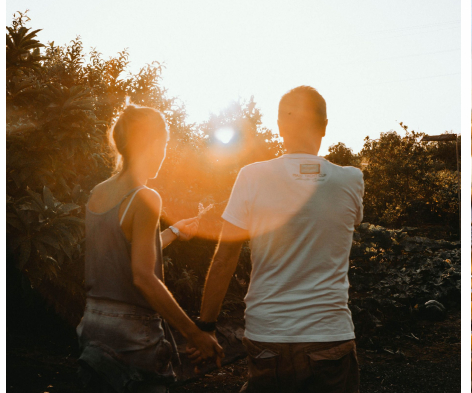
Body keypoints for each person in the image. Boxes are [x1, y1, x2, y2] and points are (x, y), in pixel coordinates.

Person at [199, 86, 363, 393]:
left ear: (280, 125)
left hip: (268, 338)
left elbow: (224, 259)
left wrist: (206, 327)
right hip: (329, 336)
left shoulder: (251, 176)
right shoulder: (351, 179)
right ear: (325, 126)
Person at [77, 103, 219, 392]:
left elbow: (120, 255)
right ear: (153, 144)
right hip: (132, 337)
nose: (165, 153)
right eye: (165, 144)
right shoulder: (145, 196)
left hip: (92, 328)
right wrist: (194, 333)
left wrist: (174, 232)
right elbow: (142, 275)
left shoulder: (98, 193)